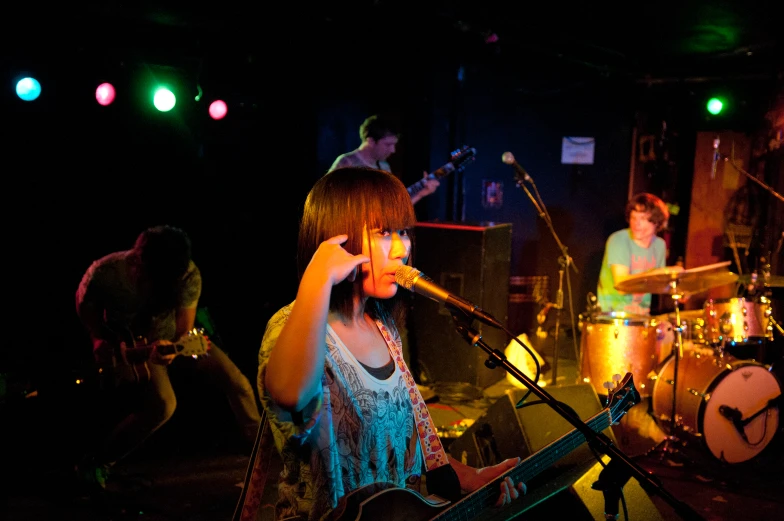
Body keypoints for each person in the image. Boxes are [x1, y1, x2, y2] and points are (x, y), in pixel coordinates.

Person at [256, 167, 526, 521]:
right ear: (335, 238)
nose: (402, 248)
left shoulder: (383, 327)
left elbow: (403, 448)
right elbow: (291, 394)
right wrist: (317, 277)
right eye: (384, 233)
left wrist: (468, 477)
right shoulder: (288, 326)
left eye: (404, 232)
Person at [74, 225, 261, 492]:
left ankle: (260, 454)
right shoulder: (106, 273)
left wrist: (174, 348)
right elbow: (85, 303)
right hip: (131, 347)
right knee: (163, 405)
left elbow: (184, 328)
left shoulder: (187, 274)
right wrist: (97, 338)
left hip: (167, 342)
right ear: (138, 262)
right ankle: (97, 463)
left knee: (237, 381)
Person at [596, 192, 681, 316]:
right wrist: (656, 273)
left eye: (643, 219)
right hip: (611, 317)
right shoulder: (618, 240)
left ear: (656, 222)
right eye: (633, 218)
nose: (636, 224)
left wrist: (679, 288)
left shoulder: (659, 245)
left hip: (642, 316)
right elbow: (621, 286)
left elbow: (658, 284)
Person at [328, 114, 440, 205]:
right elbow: (327, 201)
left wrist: (421, 193)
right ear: (370, 141)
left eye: (394, 145)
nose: (393, 150)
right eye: (388, 144)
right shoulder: (347, 162)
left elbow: (391, 209)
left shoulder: (385, 167)